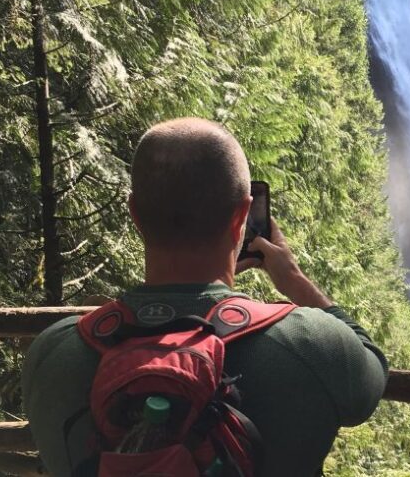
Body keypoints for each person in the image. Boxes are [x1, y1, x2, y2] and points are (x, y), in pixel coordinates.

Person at [22, 117, 388, 476]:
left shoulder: (52, 355)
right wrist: (291, 278)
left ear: (135, 214)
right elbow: (371, 368)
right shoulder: (312, 346)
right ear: (241, 217)